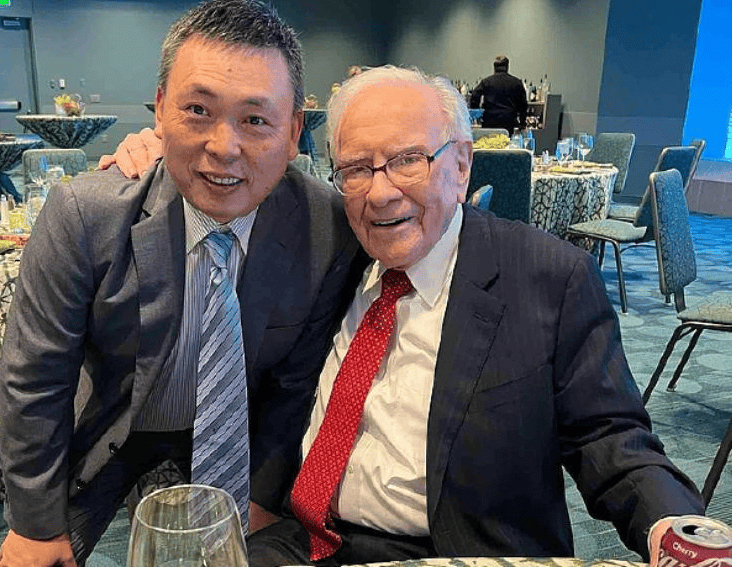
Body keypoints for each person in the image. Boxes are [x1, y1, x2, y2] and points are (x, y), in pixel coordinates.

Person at [105, 68, 706, 566]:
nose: (381, 192)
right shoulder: (329, 252)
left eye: (408, 161)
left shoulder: (547, 277)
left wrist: (677, 530)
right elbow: (231, 179)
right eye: (356, 169)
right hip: (301, 539)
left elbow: (610, 438)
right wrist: (161, 160)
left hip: (454, 551)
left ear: (462, 166)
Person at [0, 0, 364, 567]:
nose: (224, 147)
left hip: (241, 430)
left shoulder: (328, 227)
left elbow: (295, 386)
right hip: (117, 420)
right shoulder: (85, 215)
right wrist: (35, 527)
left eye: (255, 120)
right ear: (161, 109)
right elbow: (35, 378)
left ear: (294, 132)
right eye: (197, 110)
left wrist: (262, 497)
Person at [468, 54, 529, 135]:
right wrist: (522, 123)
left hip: (489, 122)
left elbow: (474, 95)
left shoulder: (486, 82)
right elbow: (523, 106)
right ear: (507, 66)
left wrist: (477, 112)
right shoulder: (517, 83)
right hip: (509, 123)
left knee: (489, 141)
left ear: (494, 67)